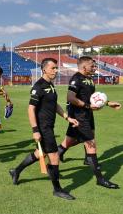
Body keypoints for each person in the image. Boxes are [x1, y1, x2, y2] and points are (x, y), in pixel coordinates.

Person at [9, 58, 79, 200]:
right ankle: (57, 189)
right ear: (44, 69)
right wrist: (35, 130)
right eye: (53, 68)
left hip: (49, 126)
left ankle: (16, 170)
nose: (56, 70)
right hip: (43, 128)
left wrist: (67, 117)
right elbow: (30, 109)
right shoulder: (38, 87)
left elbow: (55, 105)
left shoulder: (51, 85)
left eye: (56, 68)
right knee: (54, 157)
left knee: (38, 154)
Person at [58, 56, 122, 189]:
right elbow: (70, 97)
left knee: (69, 141)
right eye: (92, 66)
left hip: (87, 114)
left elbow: (94, 98)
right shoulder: (76, 79)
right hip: (79, 115)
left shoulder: (89, 79)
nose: (95, 68)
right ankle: (100, 179)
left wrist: (109, 103)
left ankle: (55, 158)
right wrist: (87, 106)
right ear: (83, 67)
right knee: (91, 145)